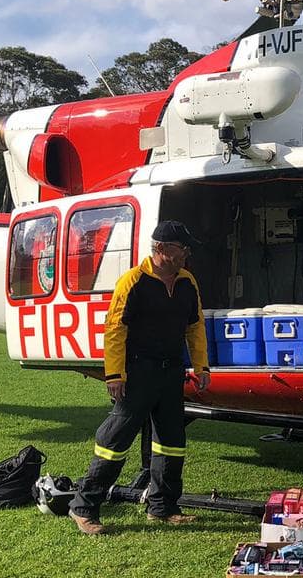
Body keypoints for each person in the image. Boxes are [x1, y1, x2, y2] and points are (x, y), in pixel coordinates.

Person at [68, 220, 211, 535]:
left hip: (172, 372)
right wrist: (115, 373)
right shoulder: (132, 281)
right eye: (181, 249)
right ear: (161, 249)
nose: (186, 254)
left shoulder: (188, 282)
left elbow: (195, 327)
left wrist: (201, 366)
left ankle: (162, 507)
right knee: (114, 441)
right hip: (137, 372)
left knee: (171, 443)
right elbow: (115, 329)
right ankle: (83, 507)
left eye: (187, 249)